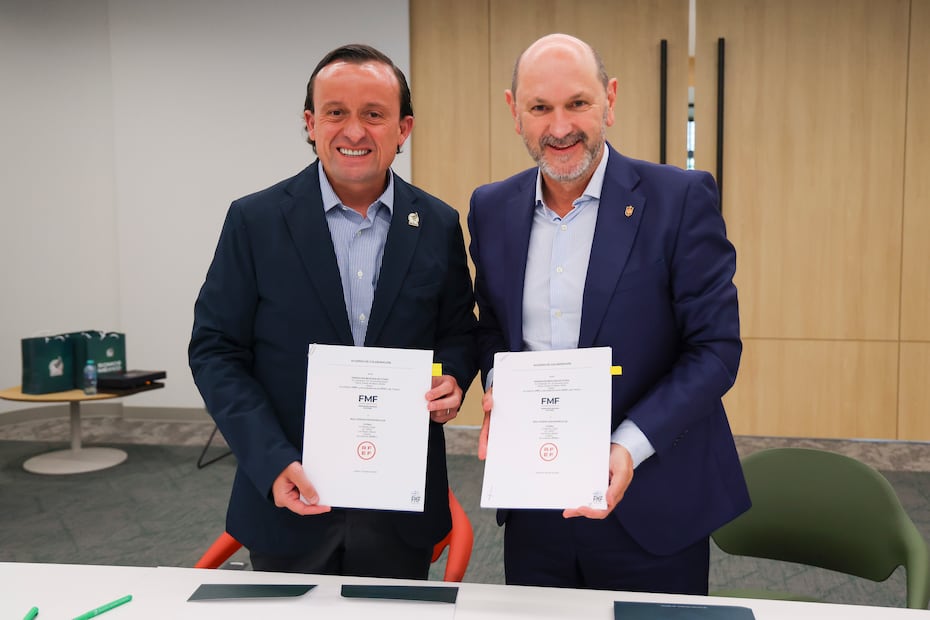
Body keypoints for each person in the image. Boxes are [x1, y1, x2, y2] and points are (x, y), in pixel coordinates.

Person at [467, 33, 750, 594]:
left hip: (653, 500)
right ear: (513, 111)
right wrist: (501, 389)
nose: (560, 126)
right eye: (540, 108)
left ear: (610, 100)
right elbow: (494, 327)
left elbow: (715, 350)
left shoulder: (680, 198)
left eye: (578, 103)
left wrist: (627, 445)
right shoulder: (492, 207)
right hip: (536, 503)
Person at [189, 44, 477, 578]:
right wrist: (271, 458)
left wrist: (453, 378)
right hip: (290, 496)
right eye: (335, 112)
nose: (354, 131)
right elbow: (215, 351)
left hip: (400, 505)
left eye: (374, 114)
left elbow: (459, 331)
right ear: (310, 123)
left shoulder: (437, 223)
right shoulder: (255, 222)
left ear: (403, 128)